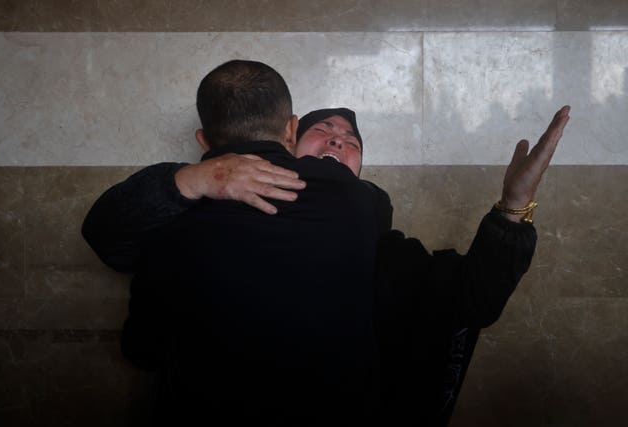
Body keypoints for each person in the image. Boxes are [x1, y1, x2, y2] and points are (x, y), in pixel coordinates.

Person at [82, 59, 570, 425]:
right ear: (288, 142)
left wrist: (514, 205)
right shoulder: (193, 203)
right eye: (324, 131)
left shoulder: (371, 231)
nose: (338, 140)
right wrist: (197, 177)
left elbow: (470, 297)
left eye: (352, 140)